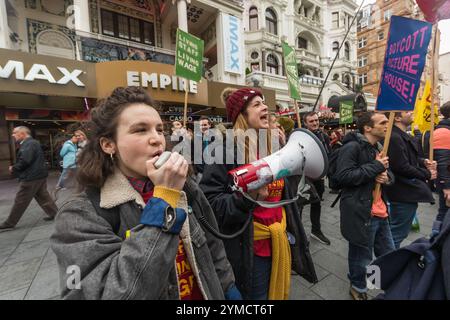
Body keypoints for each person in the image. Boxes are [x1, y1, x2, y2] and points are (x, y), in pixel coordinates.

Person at [50, 86, 239, 300]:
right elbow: (107, 292)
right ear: (108, 144)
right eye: (140, 130)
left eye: (159, 129)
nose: (157, 139)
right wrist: (165, 200)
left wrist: (228, 287)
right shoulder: (79, 215)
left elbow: (212, 246)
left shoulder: (184, 186)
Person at [199, 87, 317, 300]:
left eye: (264, 102)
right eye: (257, 104)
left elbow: (284, 192)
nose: (265, 107)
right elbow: (211, 205)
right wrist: (246, 198)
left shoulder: (273, 146)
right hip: (250, 247)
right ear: (241, 115)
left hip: (279, 238)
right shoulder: (223, 150)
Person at [334, 112, 396, 300]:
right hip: (362, 213)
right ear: (367, 128)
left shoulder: (379, 147)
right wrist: (376, 167)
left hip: (381, 212)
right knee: (362, 256)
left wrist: (387, 178)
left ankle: (371, 281)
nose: (387, 125)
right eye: (383, 122)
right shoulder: (352, 147)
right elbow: (342, 176)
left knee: (387, 253)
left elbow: (389, 175)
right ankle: (359, 287)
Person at [385, 112, 436, 249]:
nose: (412, 112)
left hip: (405, 192)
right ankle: (385, 264)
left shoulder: (401, 135)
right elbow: (401, 166)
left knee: (396, 231)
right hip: (402, 192)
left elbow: (407, 159)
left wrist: (423, 161)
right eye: (407, 111)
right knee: (397, 233)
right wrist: (427, 174)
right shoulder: (394, 137)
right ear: (397, 118)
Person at [0, 126, 57, 231]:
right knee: (43, 197)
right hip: (38, 175)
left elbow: (25, 160)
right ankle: (55, 214)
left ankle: (9, 223)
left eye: (15, 133)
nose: (13, 135)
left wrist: (14, 167)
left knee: (20, 200)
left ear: (22, 133)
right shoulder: (32, 143)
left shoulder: (29, 144)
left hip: (31, 177)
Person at [303, 112, 332, 245]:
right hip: (303, 178)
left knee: (317, 203)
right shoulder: (301, 136)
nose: (315, 123)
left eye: (316, 120)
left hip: (319, 177)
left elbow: (328, 154)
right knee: (299, 206)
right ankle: (297, 234)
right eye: (311, 121)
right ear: (305, 123)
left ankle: (316, 230)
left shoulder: (324, 136)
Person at [433, 101, 450, 223]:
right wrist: (446, 187)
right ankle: (436, 238)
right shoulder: (443, 132)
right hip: (447, 182)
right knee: (444, 212)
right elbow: (443, 163)